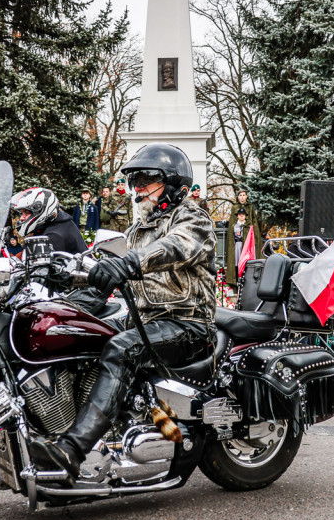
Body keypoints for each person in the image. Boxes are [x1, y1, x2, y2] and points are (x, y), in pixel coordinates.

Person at [28, 143, 216, 481]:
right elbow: (100, 269)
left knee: (121, 349)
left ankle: (70, 451)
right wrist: (65, 283)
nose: (138, 187)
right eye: (135, 180)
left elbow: (173, 246)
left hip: (186, 321)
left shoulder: (193, 217)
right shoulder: (136, 230)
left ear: (175, 186)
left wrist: (127, 262)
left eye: (147, 179)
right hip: (144, 318)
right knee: (78, 333)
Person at [11, 188, 86, 254]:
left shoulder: (54, 237)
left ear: (42, 211)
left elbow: (41, 268)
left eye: (26, 213)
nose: (21, 218)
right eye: (22, 213)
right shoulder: (59, 223)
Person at [225, 190, 257, 284]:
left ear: (246, 196)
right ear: (238, 197)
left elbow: (253, 221)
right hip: (237, 238)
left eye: (244, 195)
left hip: (247, 235)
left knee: (247, 258)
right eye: (240, 195)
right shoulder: (234, 207)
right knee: (236, 259)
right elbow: (232, 223)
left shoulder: (250, 207)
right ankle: (235, 280)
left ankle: (248, 279)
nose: (242, 197)